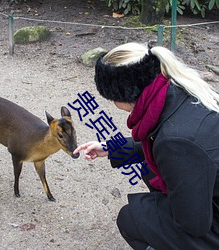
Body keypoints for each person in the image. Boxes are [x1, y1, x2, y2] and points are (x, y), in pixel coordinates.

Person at [73, 42, 219, 250]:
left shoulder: (176, 142)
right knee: (149, 171)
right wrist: (111, 148)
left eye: (112, 97)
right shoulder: (177, 89)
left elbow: (194, 224)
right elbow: (157, 139)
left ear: (124, 93)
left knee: (131, 218)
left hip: (210, 221)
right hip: (210, 188)